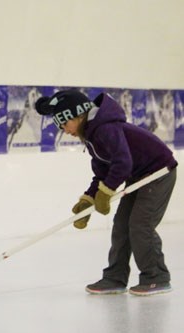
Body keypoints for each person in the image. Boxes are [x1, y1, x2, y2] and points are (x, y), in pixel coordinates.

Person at [35, 89, 178, 296]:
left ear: (78, 114)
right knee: (121, 226)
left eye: (64, 123)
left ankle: (156, 277)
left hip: (158, 173)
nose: (64, 130)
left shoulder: (104, 129)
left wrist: (106, 192)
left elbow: (123, 163)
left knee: (140, 225)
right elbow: (102, 172)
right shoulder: (92, 135)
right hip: (138, 176)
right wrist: (89, 199)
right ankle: (115, 278)